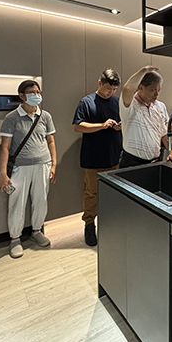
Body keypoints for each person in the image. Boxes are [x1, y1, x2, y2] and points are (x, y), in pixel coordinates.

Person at [0, 80, 57, 259]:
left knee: (41, 200)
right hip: (20, 167)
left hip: (43, 164)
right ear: (22, 96)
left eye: (38, 92)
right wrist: (2, 173)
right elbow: (5, 147)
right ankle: (15, 238)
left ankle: (37, 230)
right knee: (17, 203)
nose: (36, 95)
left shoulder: (45, 116)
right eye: (32, 92)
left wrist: (53, 164)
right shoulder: (12, 118)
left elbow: (51, 141)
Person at [72, 69, 123, 246]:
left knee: (113, 193)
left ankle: (109, 224)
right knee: (92, 194)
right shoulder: (86, 102)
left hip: (114, 155)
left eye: (114, 89)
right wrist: (102, 125)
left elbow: (125, 121)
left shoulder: (117, 101)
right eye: (108, 88)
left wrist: (120, 126)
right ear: (100, 83)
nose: (111, 92)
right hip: (93, 158)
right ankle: (89, 224)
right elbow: (77, 126)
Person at [119, 66, 172, 168]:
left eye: (158, 90)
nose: (156, 94)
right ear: (141, 87)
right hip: (132, 162)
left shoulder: (158, 107)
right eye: (152, 90)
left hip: (154, 161)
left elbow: (163, 133)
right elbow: (127, 89)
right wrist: (144, 71)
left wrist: (171, 151)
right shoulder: (130, 104)